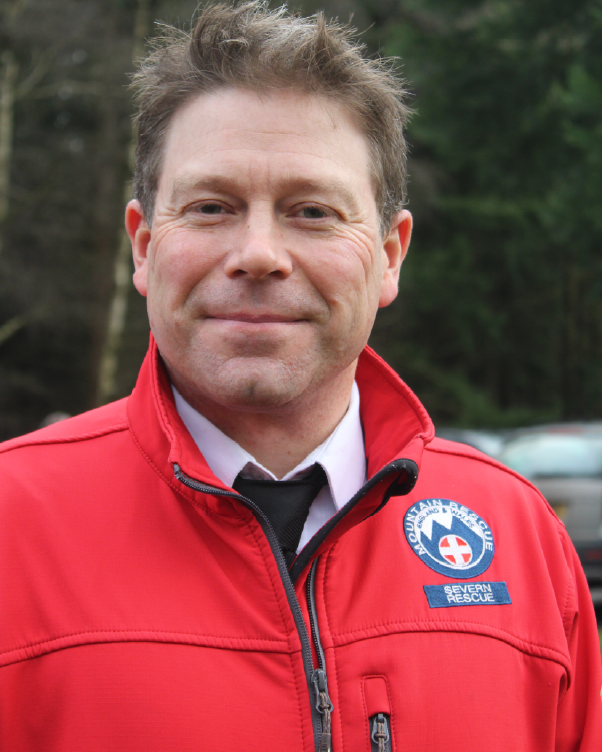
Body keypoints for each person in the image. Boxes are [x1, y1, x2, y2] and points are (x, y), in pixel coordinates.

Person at [0, 2, 600, 750]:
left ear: (389, 256)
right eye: (211, 206)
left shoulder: (519, 535)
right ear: (144, 246)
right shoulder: (11, 525)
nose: (259, 254)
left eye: (312, 212)